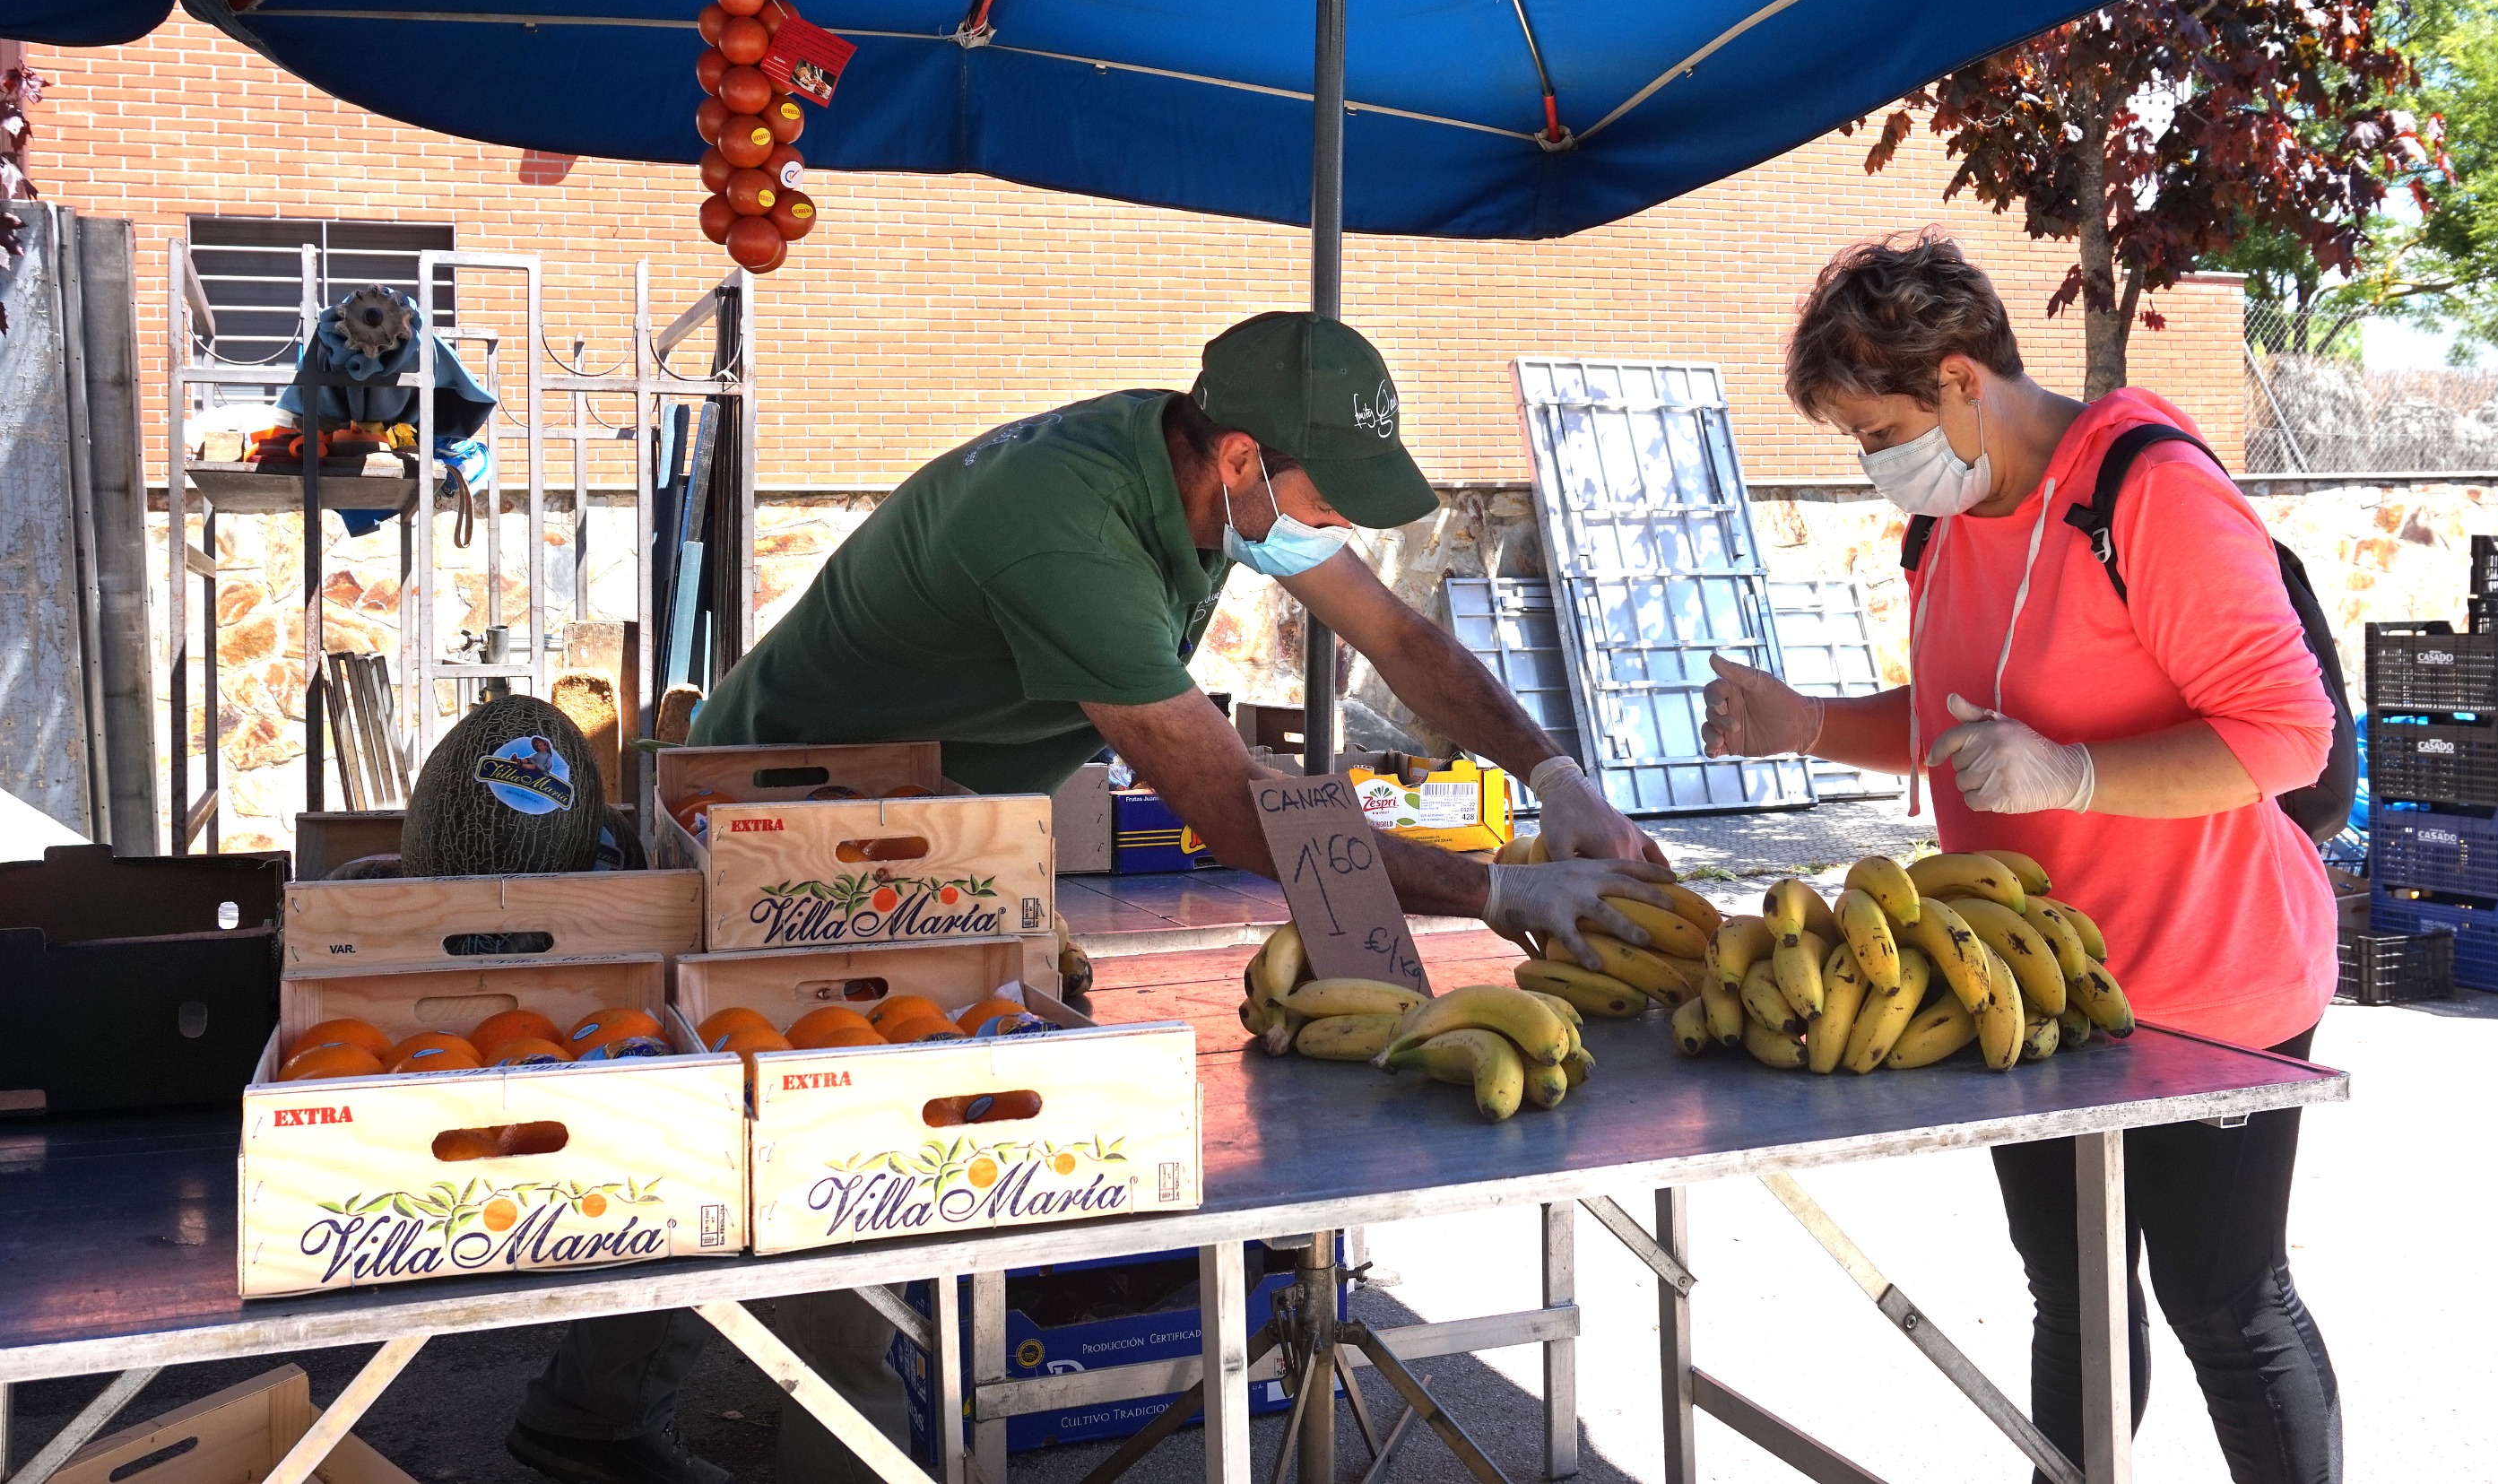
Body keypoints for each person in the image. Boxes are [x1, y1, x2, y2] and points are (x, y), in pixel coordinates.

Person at [507, 310, 1671, 1484]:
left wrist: (1555, 779)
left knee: (835, 1141)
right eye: (1330, 499)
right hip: (801, 819)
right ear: (1239, 462)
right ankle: (786, 1450)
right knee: (841, 1154)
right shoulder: (1068, 536)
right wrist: (1497, 888)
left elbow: (1403, 642)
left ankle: (588, 1419)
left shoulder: (1209, 481)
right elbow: (1238, 809)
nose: (1339, 527)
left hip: (938, 826)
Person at [1699, 235, 2341, 1484]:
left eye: (1875, 428)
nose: (1874, 463)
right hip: (2032, 992)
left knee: (2225, 1301)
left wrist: (2078, 773)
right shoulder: (1949, 523)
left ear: (1958, 381)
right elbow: (1958, 727)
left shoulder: (2144, 487)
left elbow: (2288, 734)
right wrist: (1808, 723)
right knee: (2077, 1295)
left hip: (2213, 985)